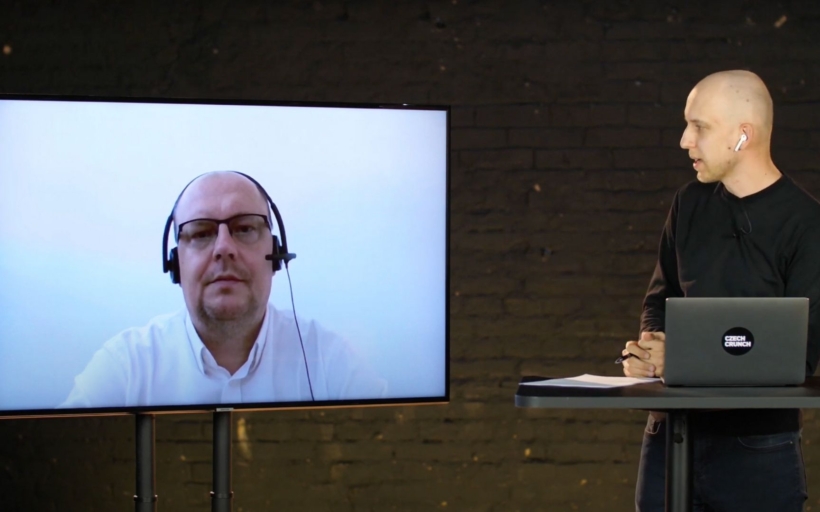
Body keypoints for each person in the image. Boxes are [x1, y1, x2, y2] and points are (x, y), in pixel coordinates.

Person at [621, 70, 820, 511]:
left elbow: (798, 355)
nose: (684, 141)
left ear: (742, 136)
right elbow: (660, 297)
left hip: (756, 448)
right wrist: (651, 346)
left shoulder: (807, 225)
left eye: (699, 127)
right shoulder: (688, 203)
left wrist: (683, 358)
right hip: (669, 435)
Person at [61, 171, 387, 408]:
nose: (223, 248)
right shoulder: (126, 367)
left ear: (275, 254)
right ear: (175, 263)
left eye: (244, 228)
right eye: (201, 233)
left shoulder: (330, 361)